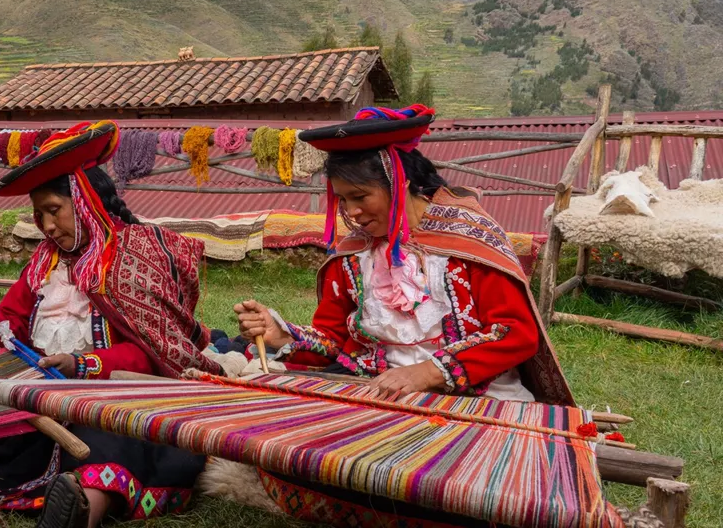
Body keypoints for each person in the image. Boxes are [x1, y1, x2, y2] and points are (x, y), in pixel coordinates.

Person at [234, 105, 574, 525]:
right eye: (343, 199)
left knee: (471, 486)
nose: (352, 213)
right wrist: (282, 336)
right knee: (288, 450)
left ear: (401, 182)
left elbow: (516, 333)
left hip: (477, 403)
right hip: (382, 400)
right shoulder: (353, 258)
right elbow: (334, 340)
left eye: (361, 197)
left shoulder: (469, 241)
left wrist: (426, 375)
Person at [0, 121, 223, 528]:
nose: (47, 226)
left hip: (120, 396)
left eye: (53, 211)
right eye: (39, 214)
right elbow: (12, 322)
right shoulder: (46, 262)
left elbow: (154, 352)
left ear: (86, 201)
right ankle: (67, 491)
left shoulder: (132, 257)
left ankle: (80, 507)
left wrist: (84, 365)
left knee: (109, 436)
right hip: (46, 398)